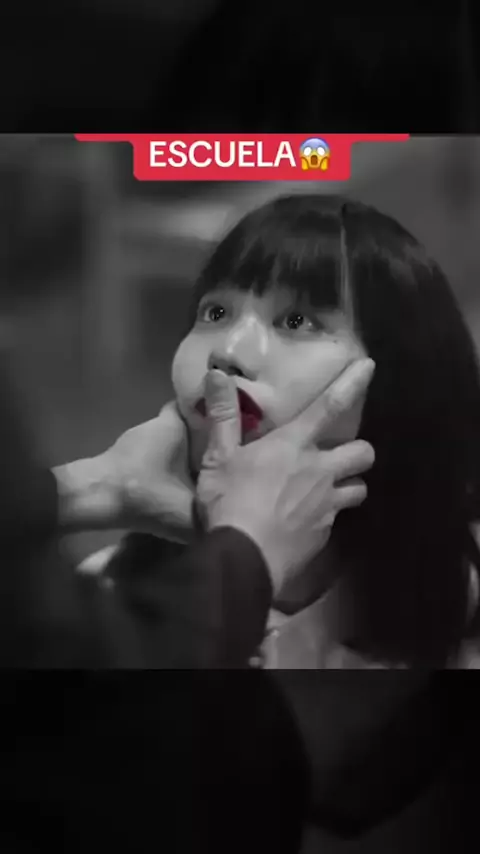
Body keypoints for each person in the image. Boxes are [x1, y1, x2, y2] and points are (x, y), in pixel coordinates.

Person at [93, 193, 480, 671]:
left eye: (297, 321)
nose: (228, 352)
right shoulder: (107, 607)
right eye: (216, 314)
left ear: (403, 377)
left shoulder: (457, 616)